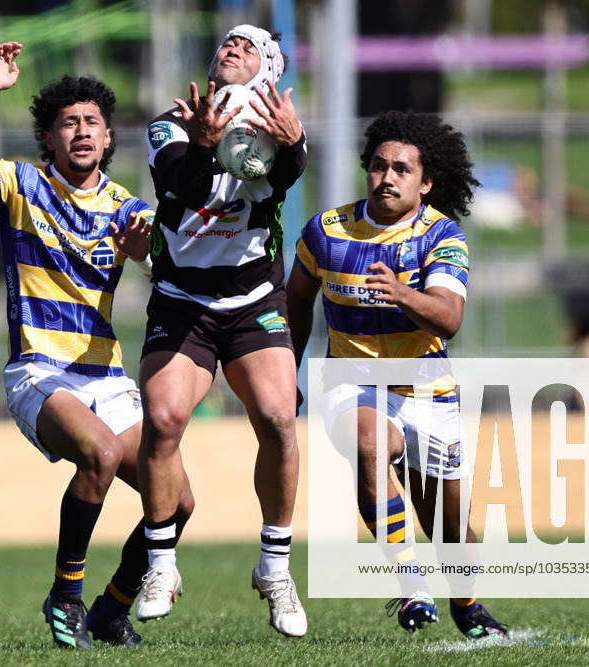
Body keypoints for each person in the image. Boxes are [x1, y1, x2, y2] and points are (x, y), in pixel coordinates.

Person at [0, 42, 194, 649]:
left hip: (107, 378)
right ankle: (66, 593)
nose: (83, 131)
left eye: (93, 121)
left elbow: (157, 263)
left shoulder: (126, 208)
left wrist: (146, 245)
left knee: (176, 502)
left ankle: (111, 608)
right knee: (96, 455)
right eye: (68, 122)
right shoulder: (19, 183)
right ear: (49, 137)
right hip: (40, 374)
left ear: (108, 136)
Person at [286, 110, 509, 640]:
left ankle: (468, 604)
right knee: (370, 444)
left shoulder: (441, 236)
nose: (388, 177)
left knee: (449, 525)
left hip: (428, 389)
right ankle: (411, 585)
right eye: (379, 166)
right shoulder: (326, 232)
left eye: (402, 170)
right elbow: (294, 305)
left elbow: (449, 319)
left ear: (426, 182)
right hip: (352, 382)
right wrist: (284, 375)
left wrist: (402, 293)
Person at [136, 24, 307, 637]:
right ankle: (161, 566)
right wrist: (206, 144)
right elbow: (187, 186)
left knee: (279, 417)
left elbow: (283, 176)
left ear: (268, 69)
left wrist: (295, 148)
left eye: (249, 47)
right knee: (162, 421)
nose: (232, 49)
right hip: (183, 300)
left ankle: (275, 567)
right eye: (227, 43)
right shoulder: (173, 121)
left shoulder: (279, 122)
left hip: (253, 296)